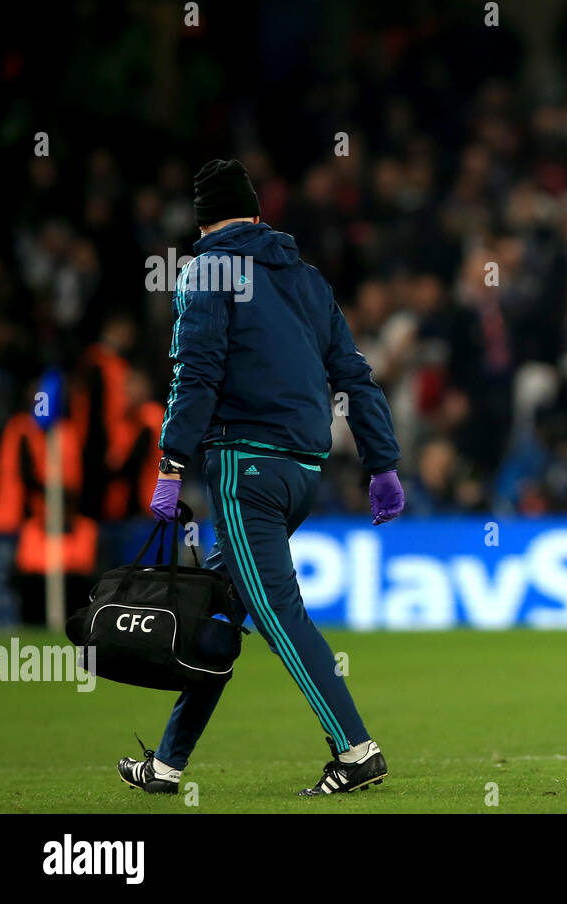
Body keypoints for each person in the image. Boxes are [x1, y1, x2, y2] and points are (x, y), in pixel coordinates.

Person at [117, 159, 405, 796]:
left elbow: (195, 374)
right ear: (254, 212)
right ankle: (167, 765)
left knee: (277, 614)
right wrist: (381, 463)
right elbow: (355, 376)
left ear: (203, 222)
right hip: (303, 468)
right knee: (220, 615)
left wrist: (169, 465)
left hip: (246, 467)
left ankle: (356, 750)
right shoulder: (305, 278)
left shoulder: (206, 271)